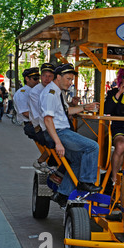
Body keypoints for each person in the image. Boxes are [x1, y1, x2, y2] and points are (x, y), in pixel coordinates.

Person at [40, 63, 101, 207]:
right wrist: (58, 143)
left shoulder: (56, 91)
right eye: (68, 79)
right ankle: (87, 182)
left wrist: (86, 107)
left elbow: (65, 112)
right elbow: (48, 119)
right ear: (58, 77)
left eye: (72, 79)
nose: (70, 82)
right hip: (59, 132)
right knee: (92, 147)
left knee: (79, 159)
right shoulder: (51, 93)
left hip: (61, 131)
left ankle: (62, 194)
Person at [28, 63, 56, 172]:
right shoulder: (35, 92)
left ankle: (44, 162)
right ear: (41, 77)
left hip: (50, 124)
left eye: (50, 76)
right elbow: (41, 114)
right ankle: (45, 163)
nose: (47, 79)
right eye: (44, 75)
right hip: (41, 127)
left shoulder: (55, 89)